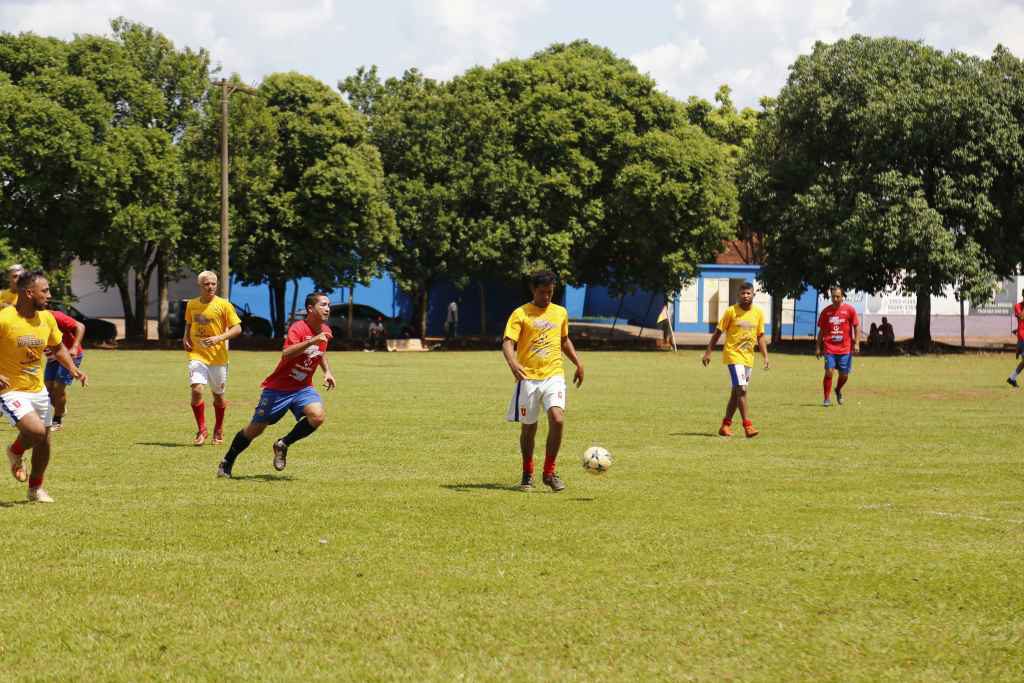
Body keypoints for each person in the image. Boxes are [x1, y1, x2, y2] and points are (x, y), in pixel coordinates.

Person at [217, 292, 336, 478]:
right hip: (278, 389)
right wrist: (312, 340)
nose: (328, 308)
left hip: (302, 388)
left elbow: (319, 352)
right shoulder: (298, 328)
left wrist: (326, 371)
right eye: (323, 304)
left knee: (317, 416)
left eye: (329, 304)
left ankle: (283, 444)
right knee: (255, 429)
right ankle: (227, 462)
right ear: (310, 308)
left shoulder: (325, 331)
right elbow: (287, 353)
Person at [2, 271, 88, 502]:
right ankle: (15, 451)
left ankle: (35, 489)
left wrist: (72, 368)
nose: (49, 295)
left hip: (37, 389)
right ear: (29, 293)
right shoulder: (5, 318)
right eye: (45, 291)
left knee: (45, 440)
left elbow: (58, 347)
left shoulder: (47, 318)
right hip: (10, 389)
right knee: (36, 432)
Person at [502, 271, 584, 492]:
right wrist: (513, 363)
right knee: (529, 428)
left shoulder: (560, 313)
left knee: (557, 419)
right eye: (542, 292)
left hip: (553, 375)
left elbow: (564, 340)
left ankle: (549, 472)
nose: (547, 297)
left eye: (550, 292)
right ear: (533, 290)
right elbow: (508, 343)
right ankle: (527, 474)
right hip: (528, 377)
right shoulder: (521, 314)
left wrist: (578, 363)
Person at [701, 281, 769, 437]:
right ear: (738, 295)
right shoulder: (731, 311)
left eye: (748, 293)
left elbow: (760, 336)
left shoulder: (758, 313)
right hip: (733, 355)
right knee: (742, 390)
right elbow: (718, 333)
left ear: (753, 295)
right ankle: (748, 426)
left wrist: (765, 356)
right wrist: (708, 352)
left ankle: (725, 425)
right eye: (742, 293)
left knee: (736, 393)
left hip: (748, 358)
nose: (745, 296)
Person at [183, 271, 242, 446]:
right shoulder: (192, 304)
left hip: (218, 358)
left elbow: (237, 329)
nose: (210, 287)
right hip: (197, 355)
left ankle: (218, 428)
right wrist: (185, 337)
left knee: (218, 397)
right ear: (200, 286)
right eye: (207, 284)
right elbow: (189, 323)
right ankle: (202, 430)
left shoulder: (224, 305)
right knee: (197, 390)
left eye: (213, 284)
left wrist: (219, 338)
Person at [816, 287, 860, 406]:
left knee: (844, 375)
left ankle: (838, 389)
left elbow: (856, 326)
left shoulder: (849, 310)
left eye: (838, 296)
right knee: (829, 372)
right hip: (829, 347)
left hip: (845, 348)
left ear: (842, 297)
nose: (835, 299)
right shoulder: (826, 312)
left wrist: (857, 343)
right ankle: (826, 399)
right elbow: (821, 331)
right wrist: (818, 347)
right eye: (833, 296)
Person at [44, 307, 85, 431]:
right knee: (47, 390)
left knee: (58, 387)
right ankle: (60, 407)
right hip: (52, 357)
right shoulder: (25, 321)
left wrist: (74, 346)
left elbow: (80, 326)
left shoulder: (54, 316)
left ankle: (57, 420)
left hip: (70, 354)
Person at [1007, 293, 1024, 388]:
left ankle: (1012, 378)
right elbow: (1021, 317)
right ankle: (1012, 378)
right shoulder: (1017, 306)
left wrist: (1016, 330)